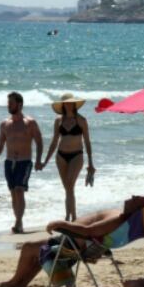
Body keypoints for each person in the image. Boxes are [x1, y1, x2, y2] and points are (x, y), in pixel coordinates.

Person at [0, 195, 144, 287]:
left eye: (136, 199)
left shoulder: (117, 220)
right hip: (76, 241)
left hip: (72, 243)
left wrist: (61, 223)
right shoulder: (122, 219)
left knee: (29, 247)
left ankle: (14, 282)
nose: (132, 196)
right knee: (36, 249)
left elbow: (88, 230)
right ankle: (19, 286)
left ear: (137, 209)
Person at [0, 91, 44, 234]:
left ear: (19, 104)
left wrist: (38, 160)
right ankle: (18, 221)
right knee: (13, 192)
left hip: (24, 162)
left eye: (11, 102)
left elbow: (39, 142)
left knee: (20, 190)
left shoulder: (30, 123)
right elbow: (0, 145)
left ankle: (18, 222)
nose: (8, 105)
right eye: (8, 102)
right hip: (9, 162)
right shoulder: (5, 124)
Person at [43, 93, 95, 221]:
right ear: (63, 105)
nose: (69, 105)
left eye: (71, 103)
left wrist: (91, 163)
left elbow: (87, 142)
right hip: (61, 156)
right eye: (66, 103)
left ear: (74, 104)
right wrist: (45, 161)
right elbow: (54, 141)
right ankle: (70, 216)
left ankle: (72, 217)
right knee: (67, 187)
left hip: (76, 155)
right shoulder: (58, 120)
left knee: (70, 184)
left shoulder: (81, 120)